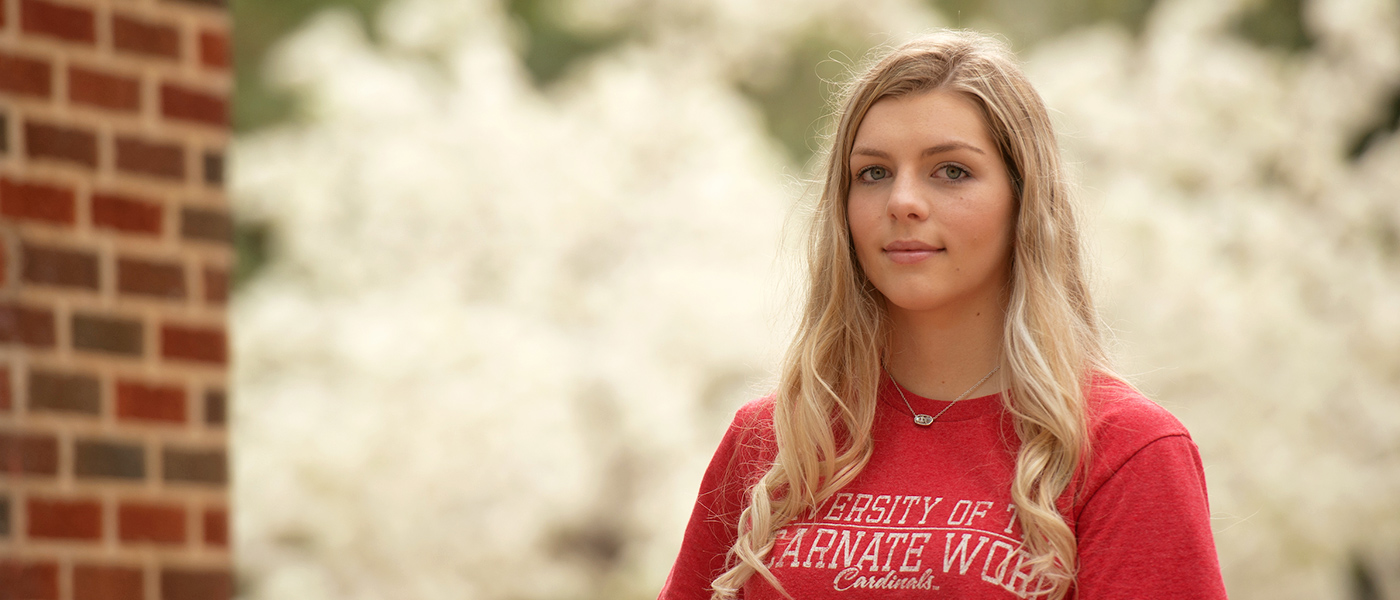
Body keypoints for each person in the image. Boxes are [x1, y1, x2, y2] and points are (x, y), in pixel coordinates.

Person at [657, 30, 1228, 600]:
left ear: (1024, 200)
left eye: (951, 170)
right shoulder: (774, 443)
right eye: (873, 173)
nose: (902, 201)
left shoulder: (1125, 450)